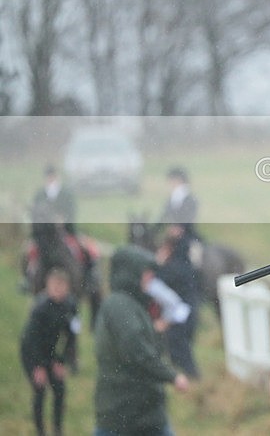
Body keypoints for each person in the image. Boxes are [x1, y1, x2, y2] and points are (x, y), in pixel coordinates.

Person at [93, 245, 190, 436]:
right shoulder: (120, 306)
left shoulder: (129, 304)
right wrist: (172, 376)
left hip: (141, 413)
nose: (151, 277)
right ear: (131, 274)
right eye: (146, 272)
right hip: (125, 414)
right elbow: (137, 351)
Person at [19, 267, 78, 436]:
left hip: (51, 351)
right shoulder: (40, 307)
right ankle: (40, 431)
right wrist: (38, 367)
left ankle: (58, 430)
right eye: (54, 286)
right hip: (32, 352)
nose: (58, 291)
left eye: (62, 286)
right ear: (47, 286)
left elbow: (71, 336)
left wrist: (61, 361)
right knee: (40, 390)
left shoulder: (70, 305)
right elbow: (31, 340)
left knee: (59, 389)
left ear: (67, 287)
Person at [155, 223, 202, 379]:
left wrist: (159, 265)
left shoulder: (180, 259)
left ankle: (192, 375)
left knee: (179, 341)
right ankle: (182, 373)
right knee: (175, 342)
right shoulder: (176, 255)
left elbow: (169, 277)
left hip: (185, 308)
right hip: (182, 307)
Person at [160, 166, 199, 241]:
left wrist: (179, 228)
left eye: (172, 180)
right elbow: (163, 217)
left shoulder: (190, 199)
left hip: (187, 235)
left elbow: (190, 218)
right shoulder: (170, 199)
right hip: (170, 235)